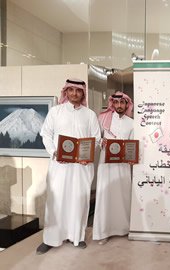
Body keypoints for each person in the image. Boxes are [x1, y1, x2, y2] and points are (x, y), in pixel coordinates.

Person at [36, 78, 101, 254]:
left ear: (83, 93)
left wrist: (88, 155)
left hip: (81, 167)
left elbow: (96, 139)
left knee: (78, 200)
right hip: (60, 166)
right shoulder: (55, 112)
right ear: (66, 92)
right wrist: (54, 152)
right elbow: (46, 134)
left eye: (78, 91)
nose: (74, 94)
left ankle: (77, 236)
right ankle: (50, 238)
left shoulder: (90, 115)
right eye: (71, 90)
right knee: (56, 201)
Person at [92, 91, 134, 244]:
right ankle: (104, 231)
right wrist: (101, 141)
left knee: (122, 196)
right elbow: (96, 137)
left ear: (127, 104)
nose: (119, 106)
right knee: (105, 195)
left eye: (122, 103)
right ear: (112, 104)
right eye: (116, 103)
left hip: (122, 165)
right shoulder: (103, 119)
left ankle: (124, 228)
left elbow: (132, 144)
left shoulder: (132, 123)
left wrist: (132, 156)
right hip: (106, 164)